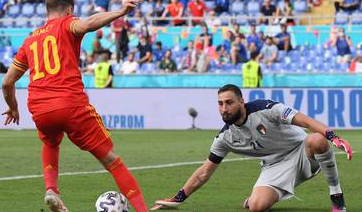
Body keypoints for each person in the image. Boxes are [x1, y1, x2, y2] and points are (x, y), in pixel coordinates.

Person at [1, 0, 148, 212]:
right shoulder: (67, 24)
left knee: (50, 142)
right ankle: (143, 210)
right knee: (112, 162)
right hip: (70, 103)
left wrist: (13, 108)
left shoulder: (30, 39)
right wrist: (120, 11)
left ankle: (51, 189)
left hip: (40, 108)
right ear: (69, 10)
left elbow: (6, 82)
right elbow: (89, 24)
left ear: (47, 10)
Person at [151, 84, 352, 212]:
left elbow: (306, 122)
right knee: (256, 207)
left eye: (229, 102)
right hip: (274, 166)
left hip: (302, 151)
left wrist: (333, 136)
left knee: (317, 140)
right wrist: (178, 198)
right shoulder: (224, 137)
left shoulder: (267, 109)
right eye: (220, 104)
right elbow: (204, 172)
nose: (224, 108)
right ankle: (255, 198)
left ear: (241, 102)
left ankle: (336, 196)